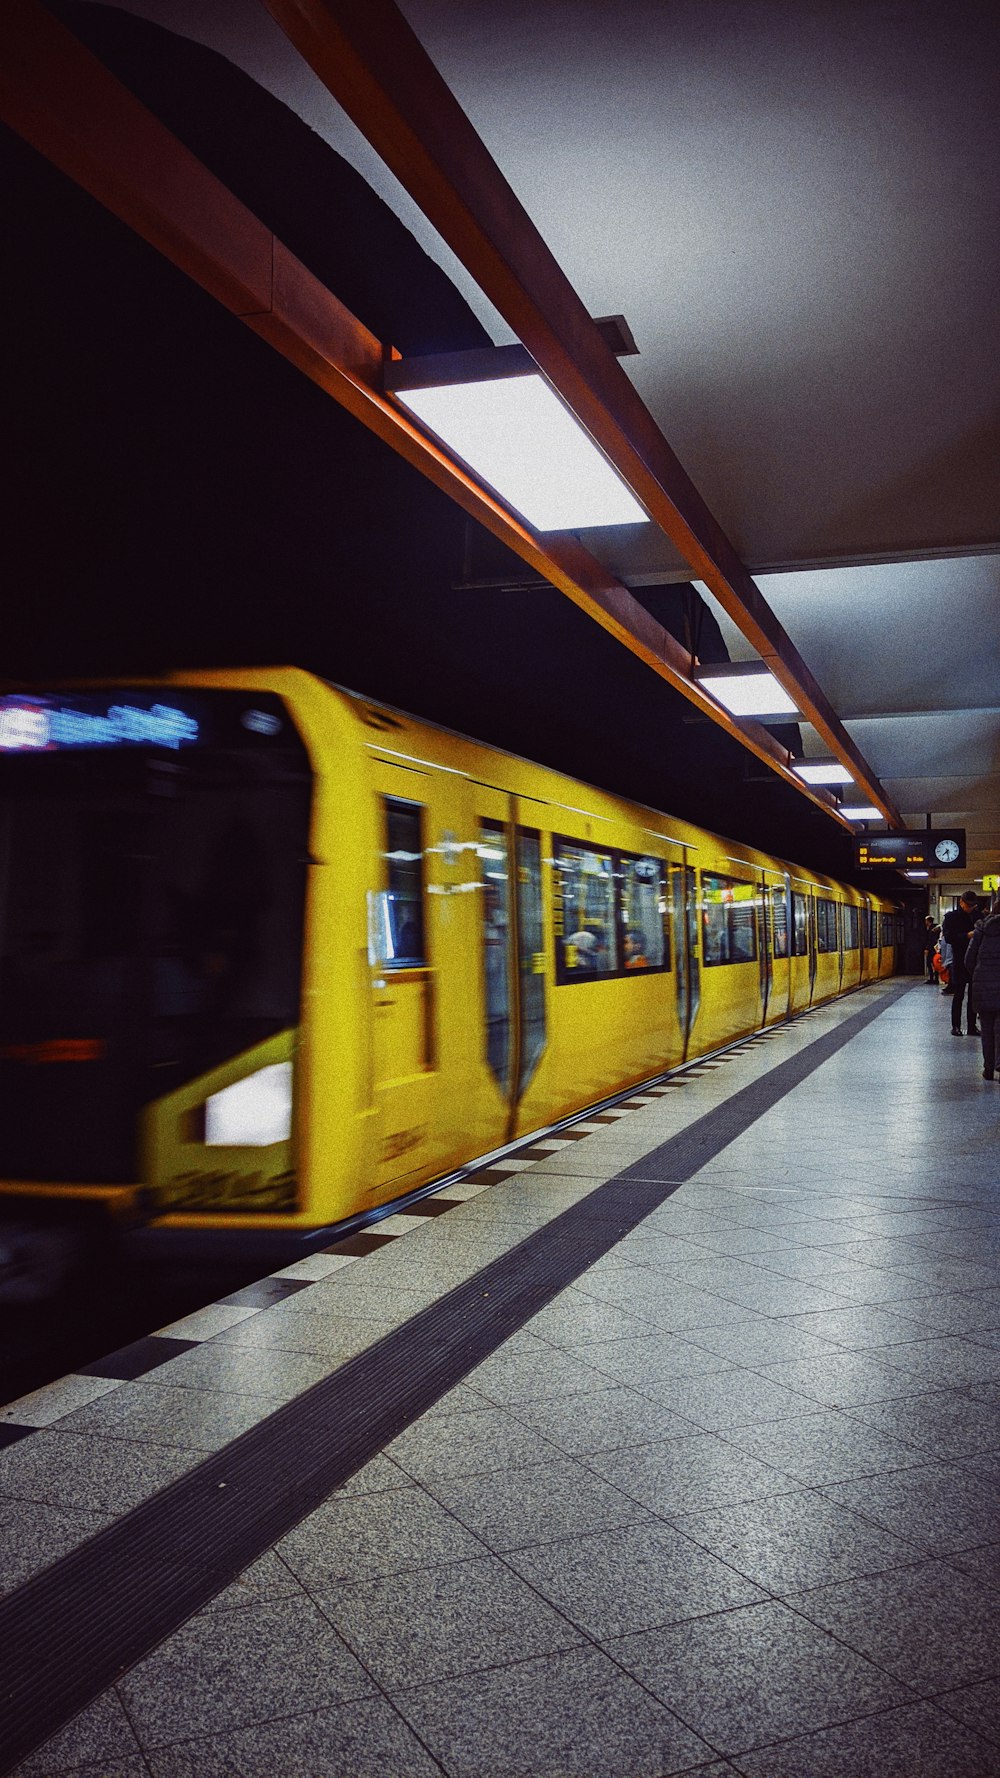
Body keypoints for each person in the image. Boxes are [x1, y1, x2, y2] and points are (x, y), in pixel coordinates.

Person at [965, 894, 1000, 1080]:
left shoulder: (981, 929)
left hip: (982, 985)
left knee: (986, 1029)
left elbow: (968, 959)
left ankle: (988, 1069)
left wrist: (979, 974)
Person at [942, 891, 981, 1037]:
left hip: (975, 960)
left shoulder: (979, 916)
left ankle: (972, 1026)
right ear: (961, 902)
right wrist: (967, 935)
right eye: (968, 905)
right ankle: (955, 1026)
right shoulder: (951, 917)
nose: (970, 908)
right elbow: (949, 937)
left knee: (973, 995)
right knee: (958, 995)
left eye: (973, 905)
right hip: (959, 960)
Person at [921, 914, 940, 983]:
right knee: (934, 963)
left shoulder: (932, 930)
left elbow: (930, 940)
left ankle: (933, 978)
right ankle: (935, 978)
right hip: (934, 948)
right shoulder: (934, 928)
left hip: (932, 949)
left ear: (928, 921)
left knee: (930, 963)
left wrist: (927, 948)